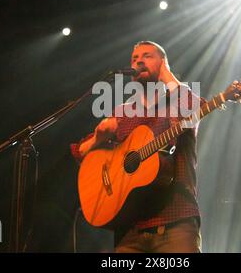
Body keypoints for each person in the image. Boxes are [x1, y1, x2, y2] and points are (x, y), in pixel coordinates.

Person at [70, 41, 202, 253]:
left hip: (175, 221)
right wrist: (98, 139)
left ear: (163, 63)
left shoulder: (177, 101)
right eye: (134, 58)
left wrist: (166, 75)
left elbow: (194, 107)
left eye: (147, 56)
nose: (138, 60)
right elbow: (81, 153)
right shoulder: (123, 111)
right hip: (129, 230)